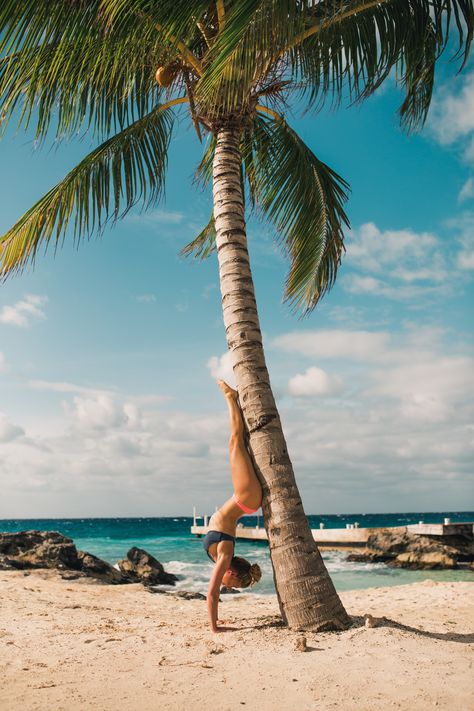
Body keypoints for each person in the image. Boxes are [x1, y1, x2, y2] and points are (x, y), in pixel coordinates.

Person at [203, 379, 263, 632]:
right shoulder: (225, 554)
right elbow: (212, 593)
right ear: (233, 573)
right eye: (233, 585)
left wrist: (216, 624)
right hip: (246, 498)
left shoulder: (223, 556)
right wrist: (214, 628)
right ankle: (231, 397)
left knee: (237, 444)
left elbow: (212, 592)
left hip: (244, 500)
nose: (227, 586)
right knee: (236, 442)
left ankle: (232, 399)